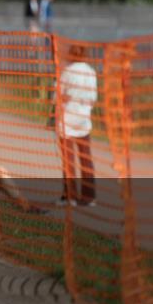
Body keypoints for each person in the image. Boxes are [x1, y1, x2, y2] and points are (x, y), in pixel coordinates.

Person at [56, 44, 98, 207]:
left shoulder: (68, 71)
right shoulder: (91, 72)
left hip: (67, 119)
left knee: (69, 160)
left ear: (71, 55)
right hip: (84, 119)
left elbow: (59, 96)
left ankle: (70, 196)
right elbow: (93, 97)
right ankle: (89, 197)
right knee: (86, 159)